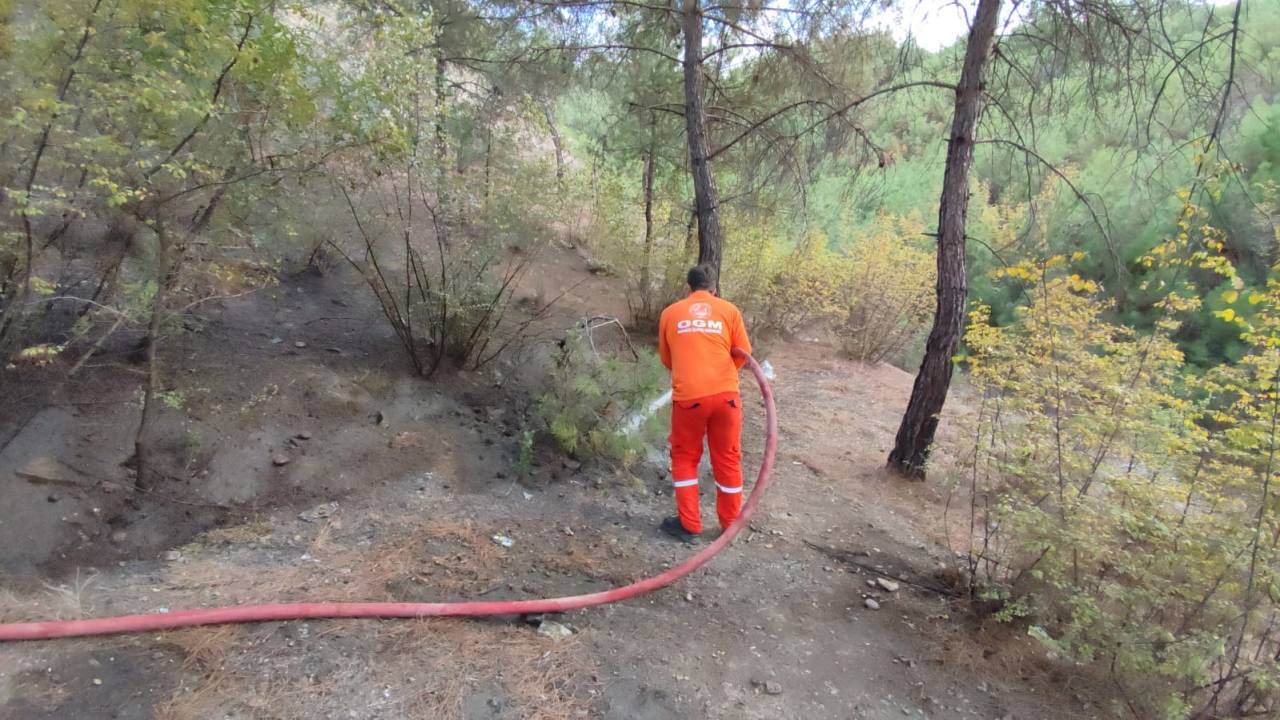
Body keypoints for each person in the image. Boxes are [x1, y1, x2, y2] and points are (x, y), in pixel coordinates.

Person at [656, 265, 753, 543]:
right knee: (728, 457)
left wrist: (692, 373)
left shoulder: (670, 313)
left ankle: (689, 524)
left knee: (685, 457)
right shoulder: (729, 310)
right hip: (727, 397)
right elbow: (743, 354)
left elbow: (667, 358)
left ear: (688, 288)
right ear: (714, 289)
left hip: (689, 399)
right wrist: (719, 376)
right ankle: (730, 525)